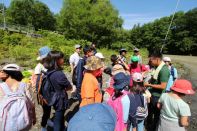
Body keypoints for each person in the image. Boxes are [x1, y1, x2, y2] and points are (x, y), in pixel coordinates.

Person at [42, 51, 72, 131]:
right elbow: (69, 87)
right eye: (61, 58)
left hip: (54, 96)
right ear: (56, 60)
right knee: (58, 118)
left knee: (60, 116)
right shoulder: (59, 74)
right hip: (60, 98)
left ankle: (62, 128)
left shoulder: (49, 71)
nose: (63, 59)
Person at [0, 64, 35, 131]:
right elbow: (32, 104)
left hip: (4, 122)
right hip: (23, 122)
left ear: (7, 74)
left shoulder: (1, 87)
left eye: (1, 72)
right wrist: (34, 117)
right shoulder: (24, 85)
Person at [144, 51, 170, 131]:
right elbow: (154, 77)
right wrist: (148, 82)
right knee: (149, 111)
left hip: (158, 96)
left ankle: (153, 128)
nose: (150, 62)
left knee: (156, 115)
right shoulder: (156, 67)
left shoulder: (164, 70)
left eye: (151, 60)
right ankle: (148, 125)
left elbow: (163, 86)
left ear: (157, 59)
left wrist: (149, 85)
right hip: (152, 94)